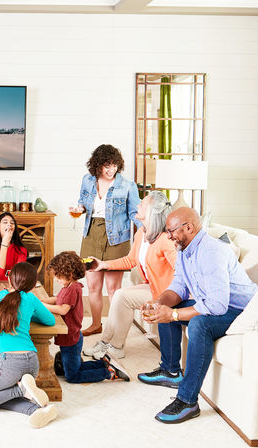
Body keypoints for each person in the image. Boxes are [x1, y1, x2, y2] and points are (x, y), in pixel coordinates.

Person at [137, 207, 256, 424]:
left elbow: (217, 306)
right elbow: (179, 287)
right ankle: (170, 371)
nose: (169, 236)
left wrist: (173, 315)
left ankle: (188, 401)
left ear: (188, 227)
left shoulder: (211, 252)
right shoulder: (184, 249)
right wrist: (159, 303)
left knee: (199, 325)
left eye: (171, 231)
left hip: (240, 311)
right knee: (169, 308)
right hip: (217, 302)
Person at [83, 191, 176, 359]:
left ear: (151, 212)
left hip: (167, 293)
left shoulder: (165, 240)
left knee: (123, 297)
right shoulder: (142, 233)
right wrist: (103, 265)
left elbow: (182, 270)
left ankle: (116, 347)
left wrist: (173, 295)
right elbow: (131, 260)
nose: (138, 205)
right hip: (154, 287)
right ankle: (106, 342)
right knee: (119, 294)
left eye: (143, 204)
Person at [0, 262, 58, 429]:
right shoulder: (31, 298)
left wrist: (3, 293)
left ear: (9, 280)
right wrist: (29, 315)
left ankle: (21, 390)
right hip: (31, 362)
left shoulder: (0, 297)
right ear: (32, 285)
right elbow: (50, 320)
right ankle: (36, 410)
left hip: (10, 365)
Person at [37, 252, 130, 384]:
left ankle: (109, 372)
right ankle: (104, 364)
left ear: (68, 274)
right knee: (76, 367)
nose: (56, 279)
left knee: (73, 376)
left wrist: (42, 306)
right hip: (70, 337)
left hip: (71, 339)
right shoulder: (68, 286)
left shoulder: (71, 289)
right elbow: (59, 299)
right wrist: (45, 300)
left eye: (57, 276)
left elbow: (63, 309)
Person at [77, 144, 141, 336]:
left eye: (114, 165)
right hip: (91, 235)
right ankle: (96, 324)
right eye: (107, 165)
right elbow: (82, 201)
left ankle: (115, 329)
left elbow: (135, 213)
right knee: (93, 286)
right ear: (97, 165)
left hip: (117, 238)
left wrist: (145, 230)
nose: (111, 169)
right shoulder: (87, 181)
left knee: (114, 289)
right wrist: (80, 208)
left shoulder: (128, 186)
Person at [0, 212, 28, 281]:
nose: (9, 224)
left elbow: (17, 275)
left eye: (12, 223)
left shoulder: (21, 250)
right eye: (5, 222)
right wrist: (4, 243)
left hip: (13, 287)